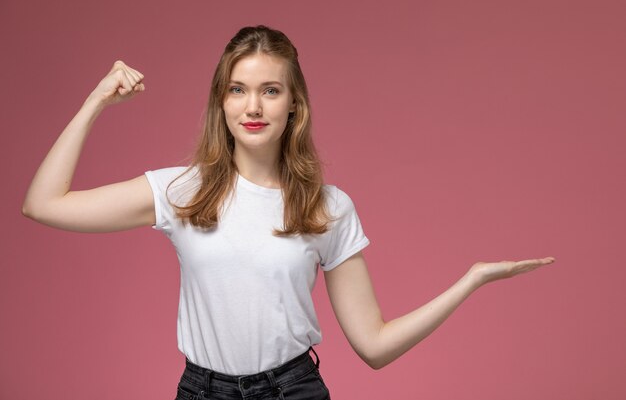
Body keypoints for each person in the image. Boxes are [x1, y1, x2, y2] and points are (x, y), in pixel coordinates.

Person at [22, 25, 555, 400]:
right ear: (222, 102)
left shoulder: (328, 207)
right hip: (201, 391)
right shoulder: (183, 190)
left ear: (293, 102)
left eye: (269, 90)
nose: (253, 107)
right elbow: (43, 204)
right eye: (238, 90)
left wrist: (471, 280)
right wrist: (96, 100)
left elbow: (374, 345)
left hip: (292, 390)